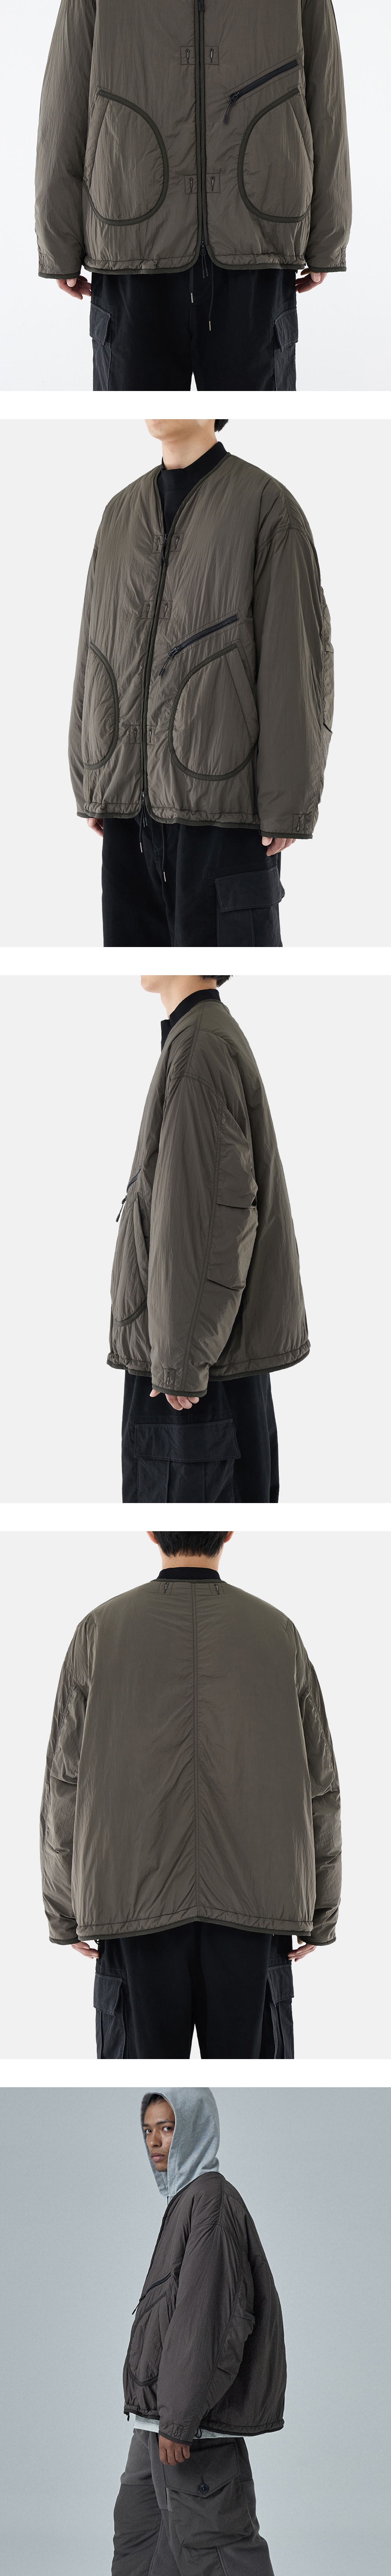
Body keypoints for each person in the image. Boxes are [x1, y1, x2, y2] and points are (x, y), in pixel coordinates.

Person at [35, 0, 352, 393]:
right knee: (133, 422)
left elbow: (328, 107)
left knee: (254, 425)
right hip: (131, 240)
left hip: (258, 239)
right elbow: (62, 111)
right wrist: (58, 242)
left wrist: (328, 238)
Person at [40, 1529, 341, 2057]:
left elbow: (64, 1781)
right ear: (229, 1531)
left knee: (144, 2079)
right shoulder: (277, 1631)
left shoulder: (100, 1630)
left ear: (151, 1531)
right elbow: (322, 1786)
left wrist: (65, 1910)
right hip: (254, 1906)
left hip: (132, 1903)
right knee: (252, 2082)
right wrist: (322, 1912)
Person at [69, 417, 334, 949]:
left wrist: (287, 801)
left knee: (224, 969)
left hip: (225, 812)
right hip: (127, 818)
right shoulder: (119, 513)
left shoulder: (266, 506)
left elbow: (295, 661)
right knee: (140, 968)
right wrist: (95, 776)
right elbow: (94, 646)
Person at [108, 975, 309, 1503]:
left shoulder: (198, 1048)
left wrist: (181, 1362)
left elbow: (205, 1216)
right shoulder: (200, 1036)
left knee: (186, 1533)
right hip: (200, 1359)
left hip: (190, 1381)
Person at [112, 2086, 285, 2573]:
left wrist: (180, 2419)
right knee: (141, 2542)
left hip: (189, 2423)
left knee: (215, 2547)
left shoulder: (211, 2200)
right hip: (157, 2419)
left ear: (195, 2128)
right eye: (148, 2129)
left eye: (167, 2128)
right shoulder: (184, 2201)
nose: (155, 2141)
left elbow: (206, 2318)